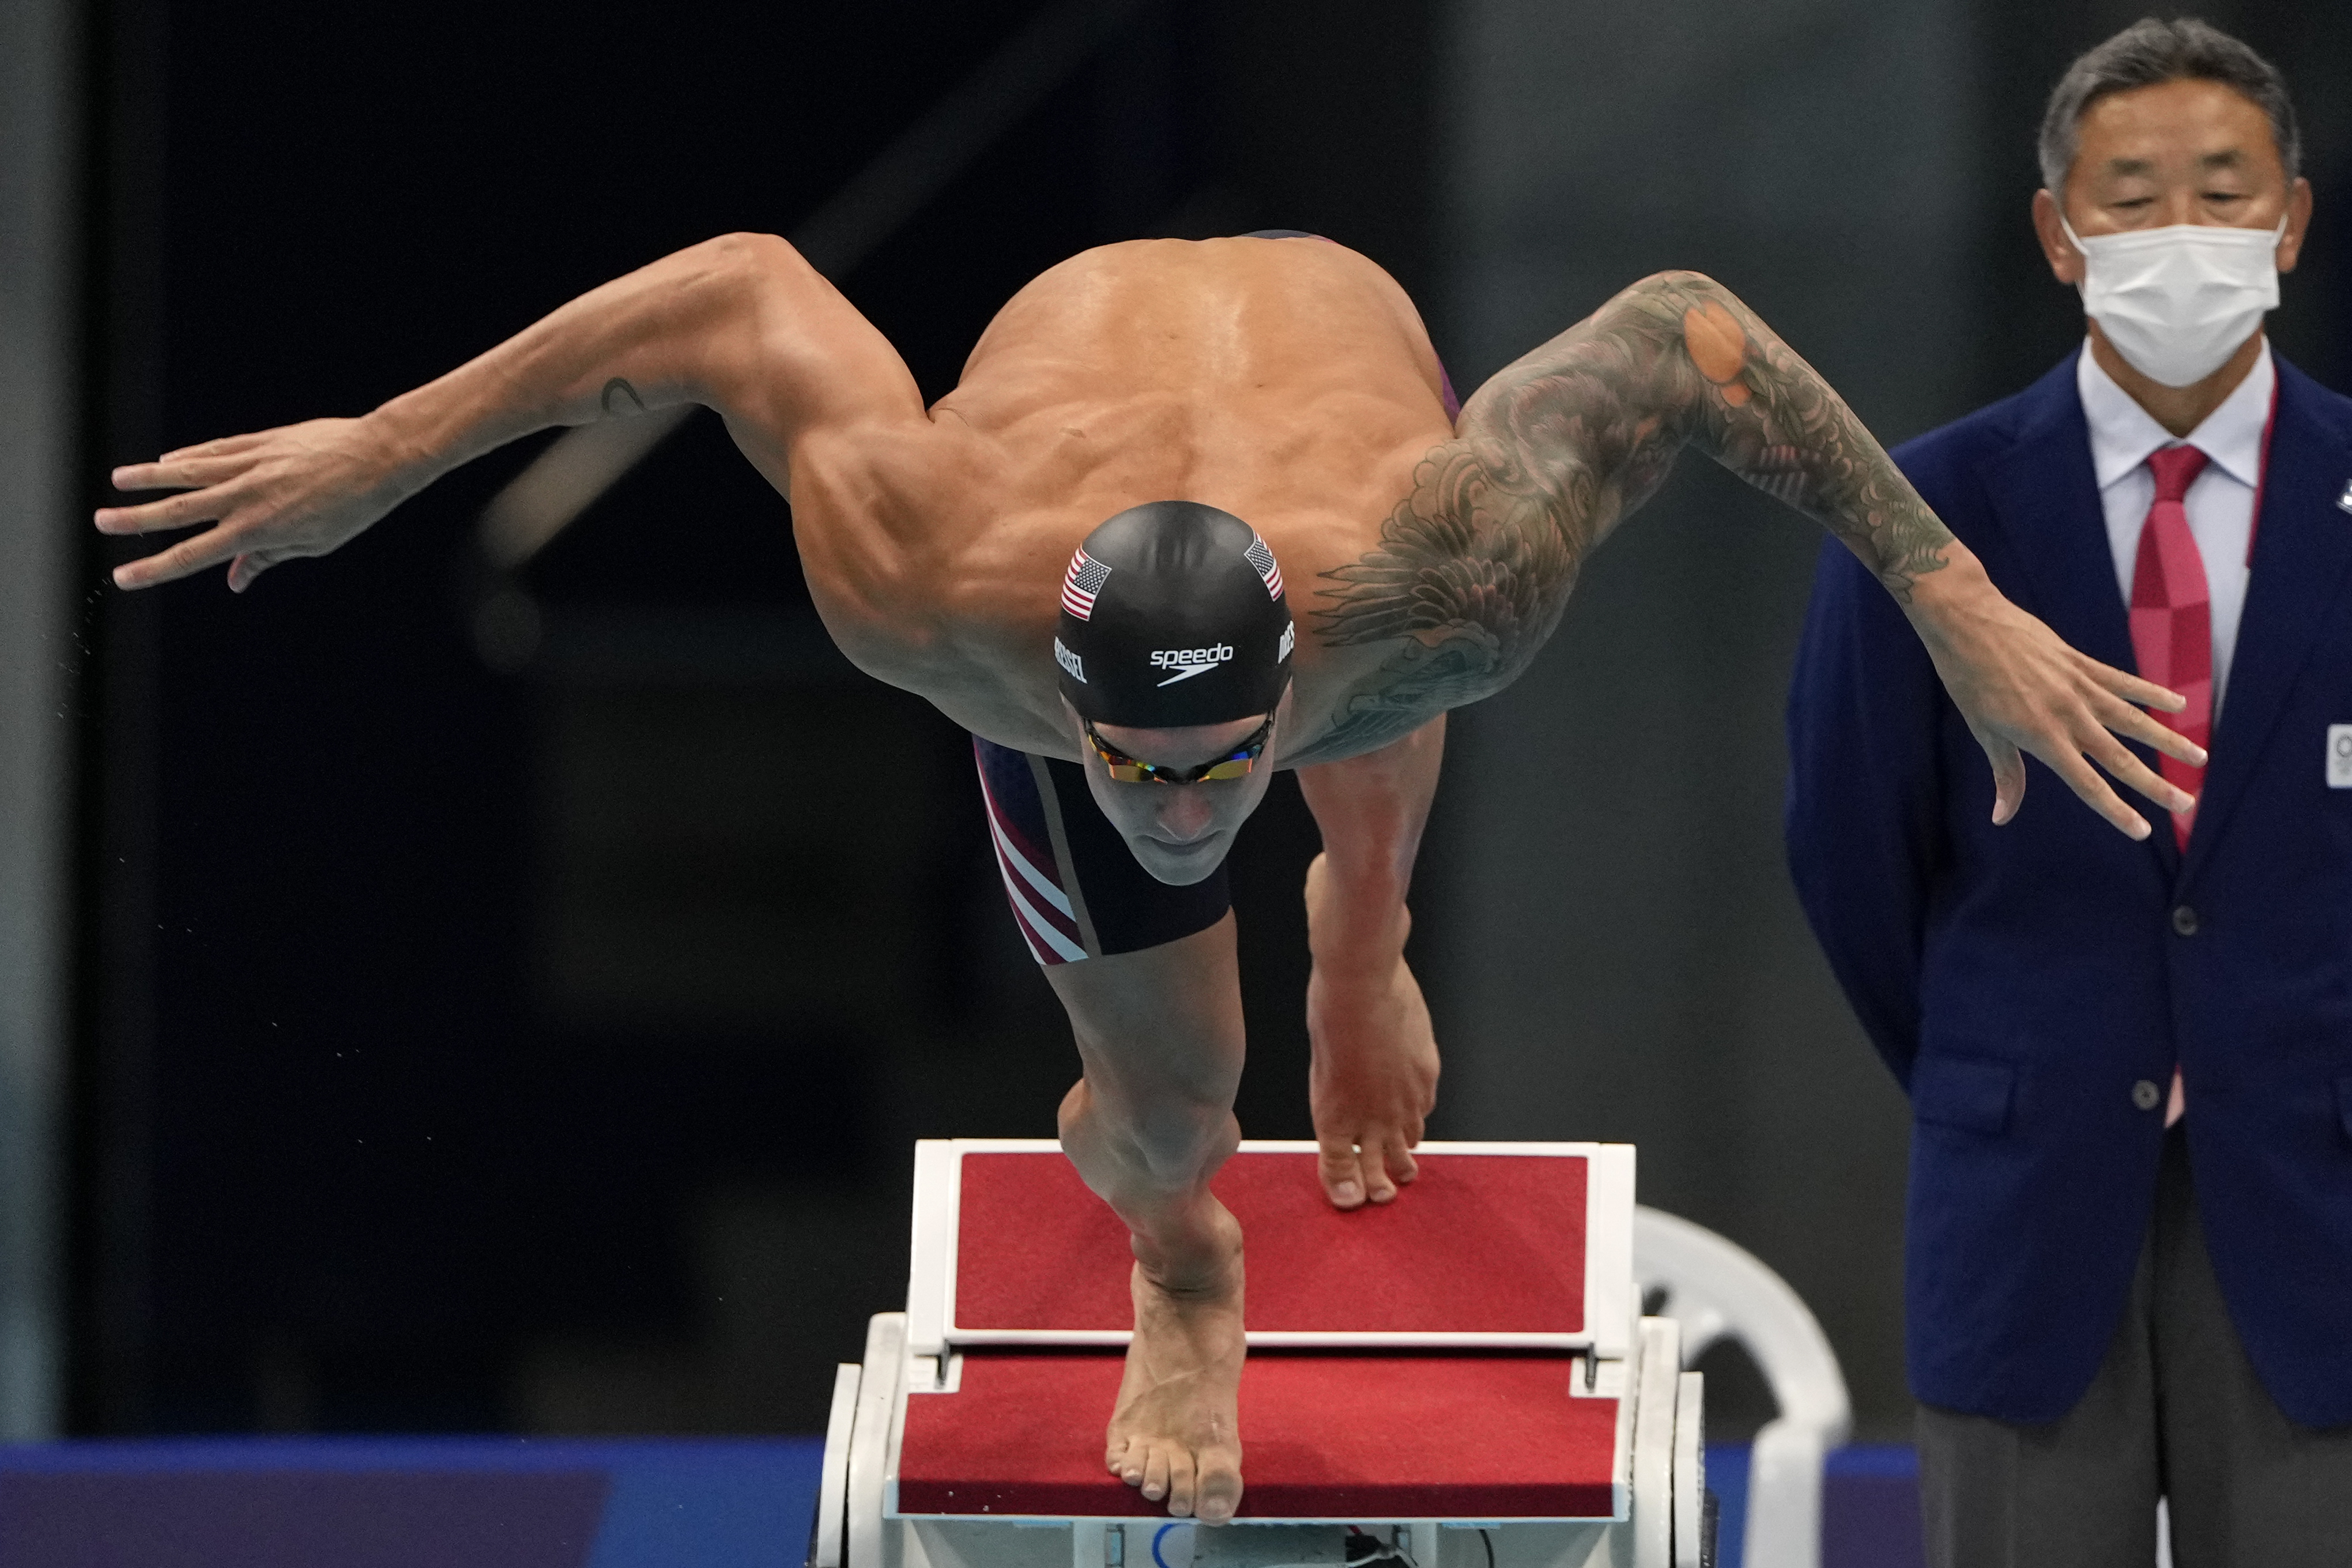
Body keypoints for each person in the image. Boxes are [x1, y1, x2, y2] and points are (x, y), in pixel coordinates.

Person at [100, 228, 2194, 1523]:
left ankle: (1355, 930)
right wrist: (385, 448)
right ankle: (1184, 1259)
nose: (1186, 803)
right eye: (1141, 767)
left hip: (1348, 497)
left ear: (1279, 679)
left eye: (1221, 763)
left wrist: (1957, 603)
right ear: (1069, 702)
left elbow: (1687, 331)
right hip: (1085, 430)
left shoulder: (1447, 569)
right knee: (1178, 1100)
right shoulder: (924, 575)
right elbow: (733, 294)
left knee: (1399, 708)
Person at [1786, 19, 2352, 1567]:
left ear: (2293, 220)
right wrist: (2010, 1057)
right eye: (2134, 194)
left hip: (2323, 1196)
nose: (2184, 233)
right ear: (2058, 232)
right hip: (2030, 1194)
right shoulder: (1923, 516)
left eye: (2225, 193)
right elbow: (1851, 859)